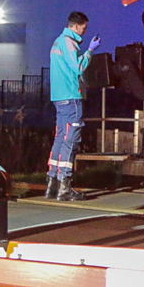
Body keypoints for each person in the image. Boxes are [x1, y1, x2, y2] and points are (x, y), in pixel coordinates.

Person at [46, 11, 100, 201]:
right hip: (71, 97)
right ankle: (64, 188)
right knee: (71, 140)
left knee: (60, 137)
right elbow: (78, 67)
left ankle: (52, 184)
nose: (85, 32)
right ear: (76, 26)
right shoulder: (69, 43)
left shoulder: (57, 42)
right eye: (84, 28)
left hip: (59, 97)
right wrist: (90, 51)